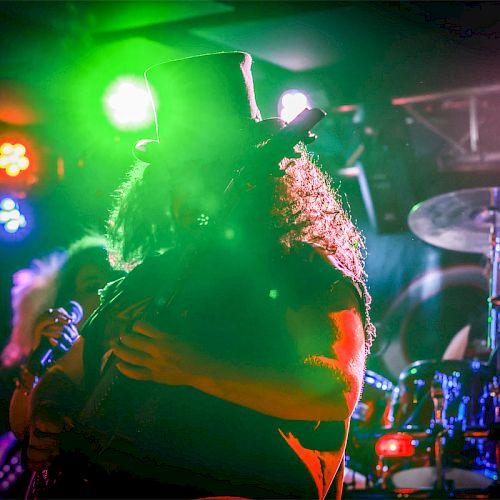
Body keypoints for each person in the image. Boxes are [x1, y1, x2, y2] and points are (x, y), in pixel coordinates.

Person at [25, 52, 375, 499]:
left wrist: (191, 367)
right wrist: (50, 412)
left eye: (208, 165)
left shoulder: (302, 268)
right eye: (178, 170)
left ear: (256, 172)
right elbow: (68, 372)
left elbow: (334, 390)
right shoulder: (148, 278)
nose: (190, 184)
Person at [0, 235, 119, 497]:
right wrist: (37, 362)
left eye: (113, 282)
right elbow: (21, 428)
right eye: (92, 286)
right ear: (70, 301)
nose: (105, 293)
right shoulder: (54, 355)